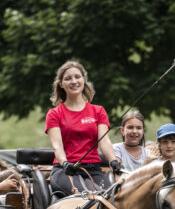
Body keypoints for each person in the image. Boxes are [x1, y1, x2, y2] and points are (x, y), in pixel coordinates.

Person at [45, 61, 121, 197]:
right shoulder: (54, 114)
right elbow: (57, 146)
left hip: (93, 169)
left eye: (77, 77)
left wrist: (113, 161)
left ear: (84, 80)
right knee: (85, 197)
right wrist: (65, 163)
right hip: (65, 170)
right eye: (68, 78)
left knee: (109, 198)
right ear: (61, 84)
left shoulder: (98, 111)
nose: (74, 81)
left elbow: (104, 142)